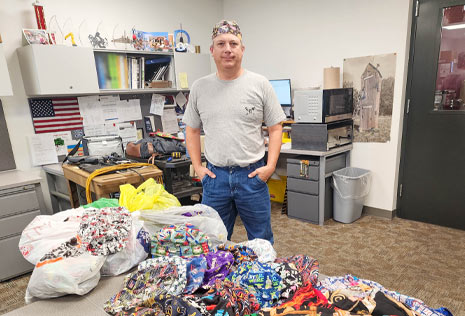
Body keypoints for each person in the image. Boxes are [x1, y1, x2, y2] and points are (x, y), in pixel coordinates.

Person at [182, 20, 286, 244]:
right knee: (213, 242)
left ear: (242, 49)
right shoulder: (200, 87)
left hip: (252, 177)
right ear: (212, 50)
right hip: (215, 178)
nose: (227, 49)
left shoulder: (260, 84)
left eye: (233, 43)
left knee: (262, 242)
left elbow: (276, 128)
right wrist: (198, 168)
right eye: (221, 44)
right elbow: (191, 130)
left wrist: (270, 166)